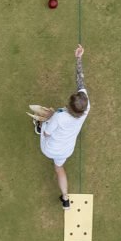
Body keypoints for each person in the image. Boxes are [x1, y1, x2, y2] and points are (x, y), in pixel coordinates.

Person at [36, 44, 90, 208]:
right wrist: (79, 58)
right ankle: (65, 199)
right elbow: (80, 81)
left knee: (45, 119)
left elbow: (47, 134)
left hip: (49, 148)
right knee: (59, 168)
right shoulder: (86, 107)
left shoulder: (59, 117)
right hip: (66, 150)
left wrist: (48, 120)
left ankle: (37, 125)